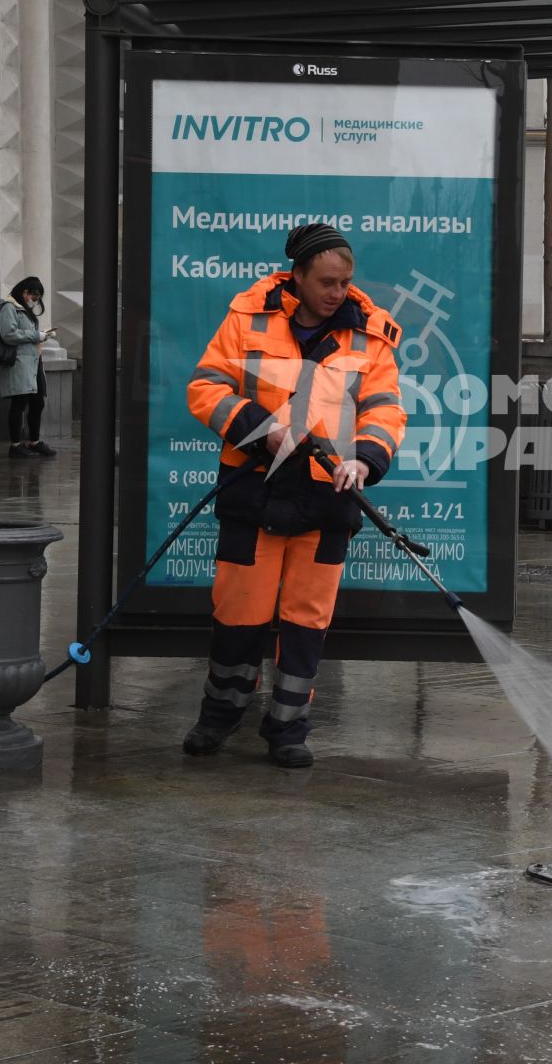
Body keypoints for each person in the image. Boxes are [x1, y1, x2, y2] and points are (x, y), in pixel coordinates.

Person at [181, 223, 407, 767]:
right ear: (297, 277)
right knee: (238, 614)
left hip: (328, 502)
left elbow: (386, 409)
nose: (338, 292)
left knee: (307, 621)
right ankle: (220, 716)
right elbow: (204, 388)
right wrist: (262, 428)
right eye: (327, 281)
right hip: (252, 497)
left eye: (346, 281)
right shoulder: (247, 318)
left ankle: (288, 728)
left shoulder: (372, 335)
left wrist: (365, 459)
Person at [0, 276, 56, 459]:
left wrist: (42, 335)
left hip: (34, 362)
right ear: (24, 292)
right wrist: (36, 335)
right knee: (19, 403)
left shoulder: (24, 310)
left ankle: (34, 442)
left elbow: (27, 334)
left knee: (38, 402)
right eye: (33, 297)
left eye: (37, 299)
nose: (34, 301)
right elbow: (8, 334)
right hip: (20, 363)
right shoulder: (9, 307)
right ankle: (15, 445)